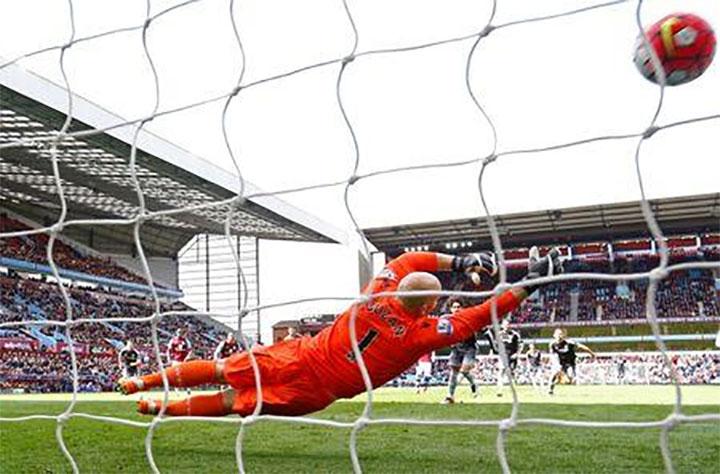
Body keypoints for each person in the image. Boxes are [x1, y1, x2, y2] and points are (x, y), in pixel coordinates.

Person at [118, 248, 562, 417]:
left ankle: (145, 380)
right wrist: (528, 283)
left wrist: (458, 263)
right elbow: (479, 316)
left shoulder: (377, 293)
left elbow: (407, 261)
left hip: (298, 354)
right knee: (236, 402)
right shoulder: (421, 333)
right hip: (316, 389)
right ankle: (159, 407)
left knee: (221, 367)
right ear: (429, 306)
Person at [442, 299, 479, 404]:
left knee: (464, 371)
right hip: (456, 348)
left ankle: (474, 384)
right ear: (450, 309)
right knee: (453, 373)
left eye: (458, 307)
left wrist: (493, 347)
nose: (456, 309)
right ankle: (450, 396)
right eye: (454, 307)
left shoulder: (469, 318)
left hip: (469, 348)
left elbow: (485, 331)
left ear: (462, 308)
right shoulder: (447, 320)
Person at [548, 328, 596, 395]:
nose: (559, 336)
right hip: (560, 363)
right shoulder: (552, 344)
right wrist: (556, 364)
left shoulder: (570, 342)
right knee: (554, 373)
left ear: (563, 335)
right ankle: (550, 390)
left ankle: (559, 380)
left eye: (560, 334)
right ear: (554, 335)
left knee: (569, 381)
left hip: (570, 363)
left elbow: (581, 346)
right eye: (557, 334)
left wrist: (591, 353)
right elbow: (553, 355)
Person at [484, 318, 522, 396]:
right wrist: (491, 351)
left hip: (512, 355)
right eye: (505, 325)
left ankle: (514, 388)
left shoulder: (515, 334)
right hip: (503, 355)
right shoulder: (499, 334)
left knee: (511, 372)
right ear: (502, 325)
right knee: (501, 371)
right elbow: (495, 344)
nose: (506, 326)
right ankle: (500, 390)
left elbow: (520, 345)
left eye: (508, 324)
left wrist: (517, 354)